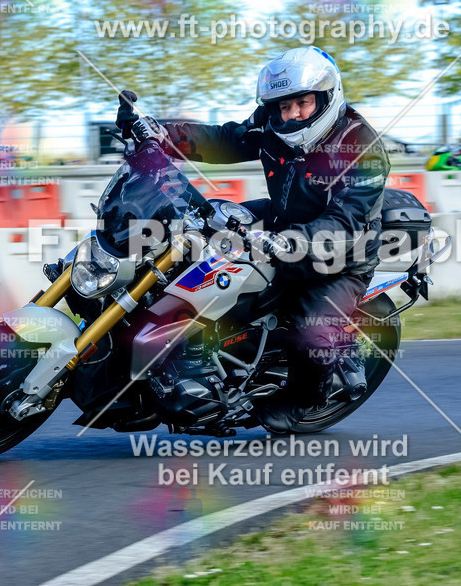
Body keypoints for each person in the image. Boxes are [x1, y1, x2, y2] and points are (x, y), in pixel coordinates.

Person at [116, 46, 389, 433]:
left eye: (303, 103)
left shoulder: (362, 148)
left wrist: (289, 242)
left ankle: (305, 398)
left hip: (340, 258)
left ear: (327, 96)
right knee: (196, 240)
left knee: (311, 332)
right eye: (284, 106)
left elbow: (346, 222)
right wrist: (160, 132)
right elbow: (225, 139)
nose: (291, 114)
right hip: (280, 221)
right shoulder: (272, 124)